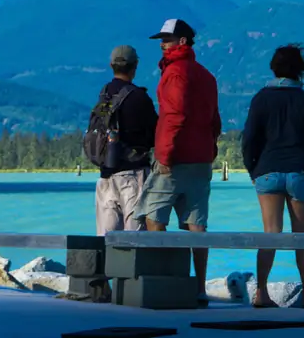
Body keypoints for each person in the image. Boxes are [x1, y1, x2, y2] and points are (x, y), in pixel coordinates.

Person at [135, 18, 222, 305]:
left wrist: (164, 155)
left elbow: (174, 116)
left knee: (154, 216)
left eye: (168, 39)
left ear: (182, 42)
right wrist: (211, 148)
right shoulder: (206, 75)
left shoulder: (175, 73)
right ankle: (199, 288)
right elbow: (214, 119)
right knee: (197, 224)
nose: (162, 44)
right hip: (201, 159)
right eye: (161, 39)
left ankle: (161, 283)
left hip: (174, 159)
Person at [241, 43, 304, 309]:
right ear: (300, 71)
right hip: (300, 171)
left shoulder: (261, 98)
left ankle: (261, 293)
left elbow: (249, 139)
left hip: (267, 171)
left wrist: (252, 169)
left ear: (273, 68)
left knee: (270, 233)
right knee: (302, 235)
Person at [93, 45, 158, 235]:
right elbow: (155, 133)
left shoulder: (104, 95)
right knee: (135, 238)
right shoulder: (139, 97)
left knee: (106, 237)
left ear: (111, 65)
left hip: (106, 174)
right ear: (134, 66)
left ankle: (107, 266)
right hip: (133, 173)